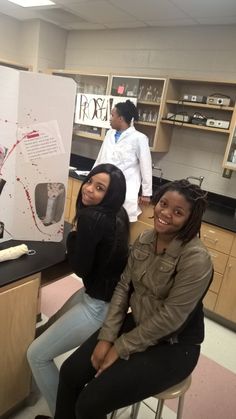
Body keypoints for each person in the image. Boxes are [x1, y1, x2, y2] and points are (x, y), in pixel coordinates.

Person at [50, 179, 213, 419]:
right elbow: (123, 288)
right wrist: (107, 337)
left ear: (190, 219)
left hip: (174, 346)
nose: (165, 213)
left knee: (90, 402)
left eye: (178, 212)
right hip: (137, 323)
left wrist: (120, 346)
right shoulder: (146, 239)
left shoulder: (196, 259)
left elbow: (171, 319)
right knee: (70, 373)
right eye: (164, 204)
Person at [27, 163, 130, 418]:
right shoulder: (119, 214)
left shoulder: (91, 218)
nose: (89, 190)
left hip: (98, 307)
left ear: (111, 195)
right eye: (90, 182)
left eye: (100, 188)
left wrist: (73, 236)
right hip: (104, 299)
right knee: (43, 329)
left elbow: (80, 268)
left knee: (36, 355)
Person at [94, 99, 152, 222]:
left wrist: (146, 193)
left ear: (120, 118)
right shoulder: (109, 134)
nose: (110, 118)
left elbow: (146, 166)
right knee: (99, 219)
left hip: (125, 188)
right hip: (104, 185)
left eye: (112, 115)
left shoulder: (139, 138)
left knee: (118, 224)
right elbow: (100, 158)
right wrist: (91, 177)